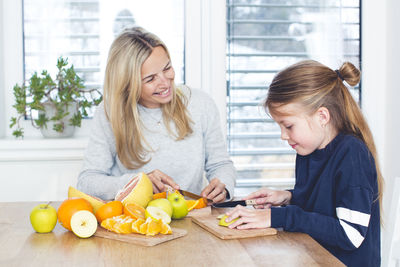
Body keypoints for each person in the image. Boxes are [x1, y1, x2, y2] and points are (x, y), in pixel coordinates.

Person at [224, 60, 382, 266]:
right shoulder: (309, 149)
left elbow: (349, 235)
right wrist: (288, 197)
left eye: (288, 126)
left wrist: (279, 217)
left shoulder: (353, 155)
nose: (283, 136)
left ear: (322, 116)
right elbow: (322, 206)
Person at [77, 27, 236, 203]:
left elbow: (221, 165)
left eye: (167, 68)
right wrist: (138, 183)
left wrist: (223, 186)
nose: (165, 82)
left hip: (190, 218)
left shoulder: (200, 104)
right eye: (150, 79)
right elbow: (87, 182)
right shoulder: (110, 112)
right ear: (128, 84)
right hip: (134, 221)